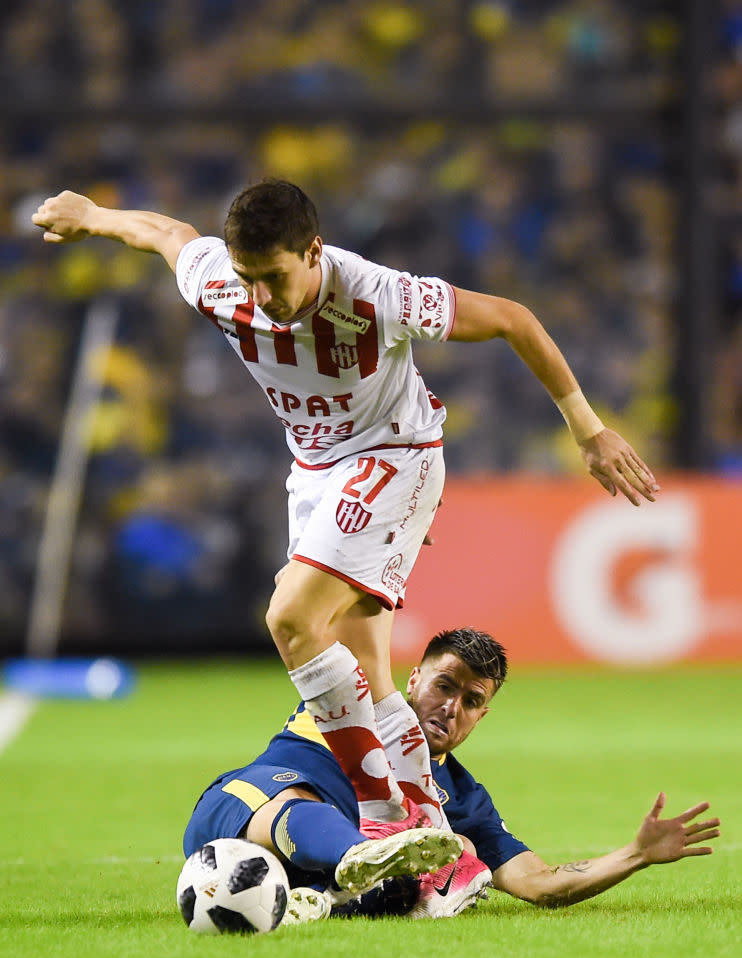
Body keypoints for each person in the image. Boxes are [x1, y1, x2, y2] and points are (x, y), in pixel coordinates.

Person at [32, 183, 660, 834]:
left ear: (313, 251)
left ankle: (380, 814)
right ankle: (434, 838)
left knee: (291, 618)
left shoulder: (374, 295)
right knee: (367, 673)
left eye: (275, 277)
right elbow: (168, 234)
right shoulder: (218, 283)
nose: (262, 297)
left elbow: (512, 319)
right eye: (249, 279)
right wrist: (97, 218)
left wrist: (588, 431)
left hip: (396, 453)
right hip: (314, 473)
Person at [180, 627, 720, 924]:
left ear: (483, 717)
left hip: (285, 883)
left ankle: (329, 895)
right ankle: (356, 859)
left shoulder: (460, 795)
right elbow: (327, 621)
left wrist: (635, 854)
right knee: (296, 800)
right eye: (444, 685)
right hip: (238, 812)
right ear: (412, 679)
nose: (451, 707)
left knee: (458, 840)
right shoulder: (356, 706)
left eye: (471, 701)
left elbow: (539, 883)